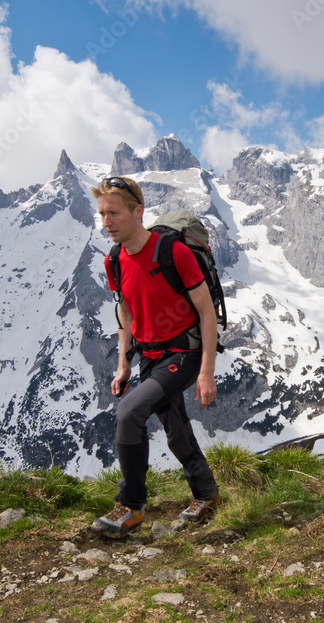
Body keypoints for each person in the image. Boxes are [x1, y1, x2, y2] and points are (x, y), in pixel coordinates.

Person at [90, 176, 221, 538]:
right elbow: (127, 315)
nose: (107, 222)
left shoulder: (172, 252)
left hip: (185, 351)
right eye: (102, 214)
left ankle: (131, 506)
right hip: (149, 354)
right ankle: (207, 495)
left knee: (130, 412)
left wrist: (206, 371)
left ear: (138, 211)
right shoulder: (114, 260)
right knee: (175, 428)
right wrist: (124, 364)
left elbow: (206, 312)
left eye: (114, 213)